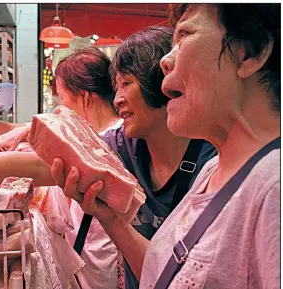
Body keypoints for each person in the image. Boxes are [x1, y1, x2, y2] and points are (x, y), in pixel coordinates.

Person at [51, 4, 280, 289]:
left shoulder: (273, 186)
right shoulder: (214, 170)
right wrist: (110, 219)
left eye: (184, 35)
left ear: (250, 51)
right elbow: (164, 274)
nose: (164, 62)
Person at [0, 47, 124, 289]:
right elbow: (27, 127)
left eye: (64, 100)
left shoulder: (108, 141)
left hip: (97, 254)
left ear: (85, 97)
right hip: (85, 247)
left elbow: (37, 166)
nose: (61, 107)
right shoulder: (94, 130)